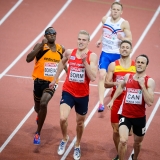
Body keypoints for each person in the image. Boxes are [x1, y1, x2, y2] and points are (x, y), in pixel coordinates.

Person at [49, 30, 98, 160]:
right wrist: (55, 79)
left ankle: (77, 144)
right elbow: (61, 62)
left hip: (82, 95)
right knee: (63, 118)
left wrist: (84, 62)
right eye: (79, 39)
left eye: (84, 40)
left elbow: (93, 77)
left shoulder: (91, 56)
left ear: (88, 42)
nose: (81, 42)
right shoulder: (70, 52)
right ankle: (65, 138)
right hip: (68, 91)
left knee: (80, 123)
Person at [107, 54, 155, 160]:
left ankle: (135, 157)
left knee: (137, 143)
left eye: (142, 63)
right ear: (135, 64)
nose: (140, 64)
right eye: (138, 62)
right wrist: (112, 100)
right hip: (125, 115)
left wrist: (142, 86)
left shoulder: (149, 81)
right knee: (123, 140)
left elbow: (150, 102)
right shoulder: (128, 77)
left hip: (139, 117)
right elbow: (120, 88)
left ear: (146, 66)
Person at [26, 27, 67, 145]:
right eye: (49, 33)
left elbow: (62, 62)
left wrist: (69, 73)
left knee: (44, 103)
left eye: (54, 33)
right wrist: (39, 46)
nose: (52, 35)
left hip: (51, 83)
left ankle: (38, 133)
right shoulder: (40, 46)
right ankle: (39, 114)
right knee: (37, 107)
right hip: (38, 81)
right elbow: (28, 59)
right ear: (45, 36)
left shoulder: (61, 48)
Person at [96, 1, 132, 112]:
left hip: (117, 54)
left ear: (121, 12)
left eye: (117, 10)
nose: (115, 11)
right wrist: (99, 40)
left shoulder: (124, 23)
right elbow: (105, 31)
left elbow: (130, 38)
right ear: (111, 10)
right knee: (101, 75)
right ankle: (101, 103)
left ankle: (123, 98)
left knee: (112, 81)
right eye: (113, 9)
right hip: (105, 53)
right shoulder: (104, 20)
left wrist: (123, 39)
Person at [104, 40, 136, 160]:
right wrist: (116, 83)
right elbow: (106, 84)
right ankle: (119, 154)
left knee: (129, 133)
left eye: (127, 47)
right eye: (123, 47)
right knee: (116, 130)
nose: (125, 49)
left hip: (130, 102)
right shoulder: (113, 65)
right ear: (119, 49)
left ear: (131, 50)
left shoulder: (135, 66)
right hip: (117, 101)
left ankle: (126, 149)